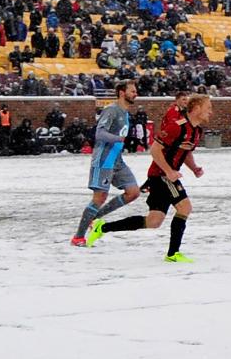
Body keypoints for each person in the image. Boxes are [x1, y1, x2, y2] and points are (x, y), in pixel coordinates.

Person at [88, 93, 211, 262]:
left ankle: (102, 228)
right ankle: (173, 254)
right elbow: (154, 150)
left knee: (153, 221)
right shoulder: (177, 126)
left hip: (165, 175)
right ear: (196, 109)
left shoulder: (196, 131)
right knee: (185, 208)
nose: (210, 112)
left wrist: (194, 168)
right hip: (161, 175)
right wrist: (169, 171)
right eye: (208, 108)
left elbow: (186, 152)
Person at [71, 79, 143, 247]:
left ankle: (94, 218)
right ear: (122, 92)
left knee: (133, 192)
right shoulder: (111, 110)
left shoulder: (125, 113)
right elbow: (100, 134)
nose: (135, 94)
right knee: (99, 198)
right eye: (132, 91)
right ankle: (78, 237)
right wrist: (121, 139)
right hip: (104, 160)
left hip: (117, 160)